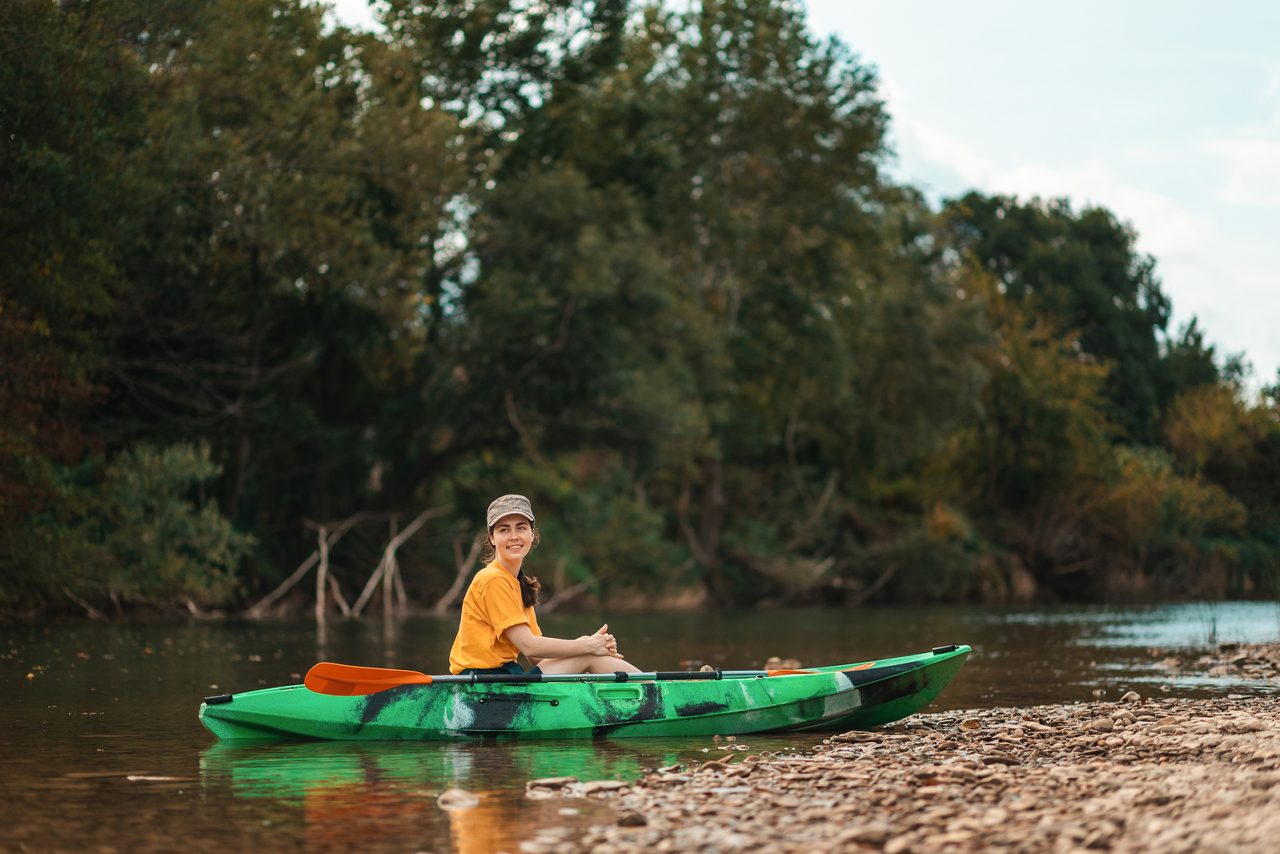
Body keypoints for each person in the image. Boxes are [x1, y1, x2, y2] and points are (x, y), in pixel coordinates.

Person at [447, 494, 642, 676]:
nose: (514, 536)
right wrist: (589, 646)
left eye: (521, 528)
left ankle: (651, 690)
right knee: (589, 655)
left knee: (589, 654)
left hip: (505, 679)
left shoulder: (520, 584)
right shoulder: (493, 579)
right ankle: (654, 690)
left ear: (532, 534)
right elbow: (529, 647)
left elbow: (537, 658)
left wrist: (588, 644)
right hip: (481, 685)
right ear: (492, 538)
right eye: (504, 529)